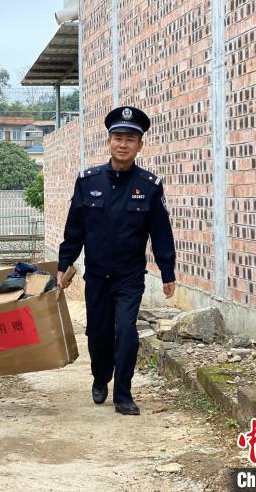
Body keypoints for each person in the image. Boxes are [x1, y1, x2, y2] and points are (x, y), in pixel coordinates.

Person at [57, 106, 176, 416]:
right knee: (98, 334)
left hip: (129, 276)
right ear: (109, 141)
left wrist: (167, 272)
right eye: (118, 138)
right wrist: (64, 264)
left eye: (130, 139)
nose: (123, 144)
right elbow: (75, 229)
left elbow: (161, 233)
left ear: (140, 145)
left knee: (126, 331)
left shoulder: (149, 186)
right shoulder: (88, 180)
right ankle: (100, 377)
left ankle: (123, 393)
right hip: (96, 275)